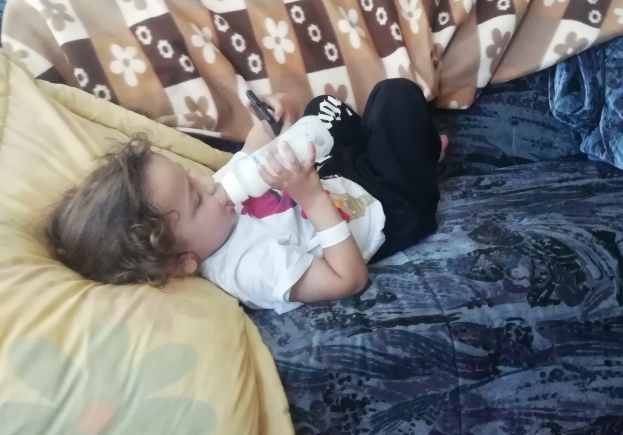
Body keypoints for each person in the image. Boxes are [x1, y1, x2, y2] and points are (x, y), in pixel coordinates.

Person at [46, 79, 448, 313]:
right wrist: (311, 199)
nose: (207, 184)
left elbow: (254, 150)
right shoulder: (249, 267)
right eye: (195, 199)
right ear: (184, 261)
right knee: (396, 95)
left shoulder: (213, 206)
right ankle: (421, 157)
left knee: (321, 108)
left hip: (337, 180)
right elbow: (350, 279)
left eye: (191, 178)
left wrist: (272, 118)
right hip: (383, 210)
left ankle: (407, 148)